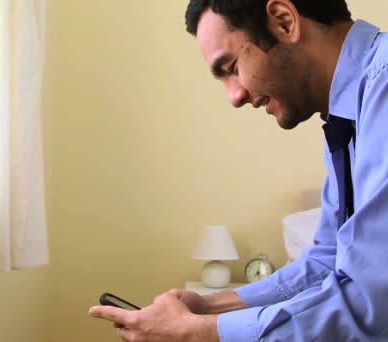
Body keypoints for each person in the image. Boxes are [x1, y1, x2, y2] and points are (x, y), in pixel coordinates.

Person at [89, 0, 388, 340]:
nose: (234, 97)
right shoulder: (346, 120)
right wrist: (208, 307)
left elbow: (373, 302)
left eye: (230, 67)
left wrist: (199, 333)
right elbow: (325, 262)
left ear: (284, 21)